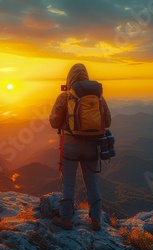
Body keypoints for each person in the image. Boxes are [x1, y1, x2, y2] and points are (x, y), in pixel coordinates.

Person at [49, 63, 111, 231]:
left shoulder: (65, 96)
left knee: (69, 183)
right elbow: (108, 121)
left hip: (71, 146)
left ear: (70, 78)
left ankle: (66, 219)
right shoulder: (99, 96)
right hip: (92, 147)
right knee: (92, 182)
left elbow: (54, 122)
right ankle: (96, 221)